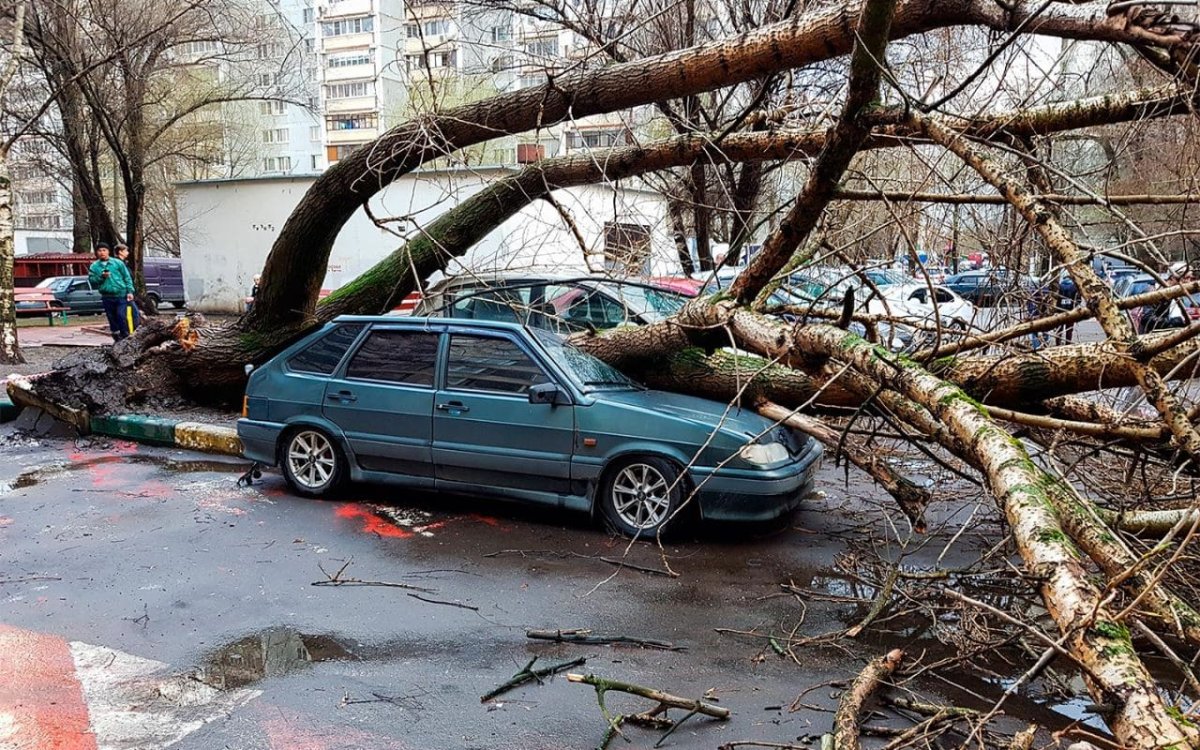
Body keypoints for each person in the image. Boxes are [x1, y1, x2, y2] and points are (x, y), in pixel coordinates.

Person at [88, 243, 135, 342]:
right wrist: (101, 277)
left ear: (108, 251)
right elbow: (92, 281)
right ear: (96, 253)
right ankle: (117, 338)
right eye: (100, 251)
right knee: (111, 318)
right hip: (107, 295)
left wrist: (130, 291)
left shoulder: (117, 263)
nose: (102, 253)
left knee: (121, 315)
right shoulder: (94, 266)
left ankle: (125, 336)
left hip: (121, 294)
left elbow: (127, 277)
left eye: (104, 250)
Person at [113, 243, 141, 333]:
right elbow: (124, 278)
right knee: (131, 314)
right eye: (126, 251)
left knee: (132, 313)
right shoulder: (118, 264)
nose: (128, 253)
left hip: (127, 292)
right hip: (124, 293)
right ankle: (130, 332)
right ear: (120, 252)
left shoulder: (124, 263)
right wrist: (128, 291)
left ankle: (131, 332)